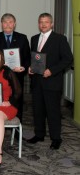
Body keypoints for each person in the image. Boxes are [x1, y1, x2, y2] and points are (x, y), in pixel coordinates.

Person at [27, 13, 73, 150]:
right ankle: (39, 134)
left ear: (51, 24)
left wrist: (52, 71)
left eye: (46, 22)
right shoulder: (34, 39)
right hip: (37, 82)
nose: (43, 24)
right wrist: (30, 68)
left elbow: (68, 59)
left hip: (52, 82)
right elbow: (35, 58)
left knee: (53, 112)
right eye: (41, 22)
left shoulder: (60, 39)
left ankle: (56, 138)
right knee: (38, 111)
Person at [0, 13, 30, 123]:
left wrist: (23, 67)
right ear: (1, 24)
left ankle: (17, 128)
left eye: (10, 22)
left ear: (14, 24)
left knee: (17, 101)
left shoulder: (22, 38)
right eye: (5, 22)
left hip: (17, 76)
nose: (8, 24)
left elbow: (27, 58)